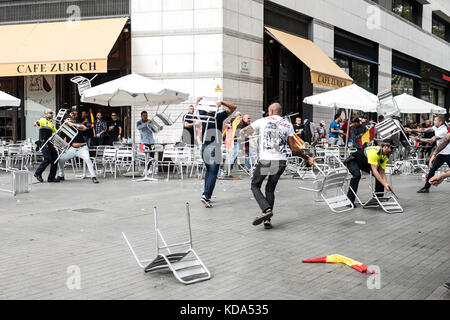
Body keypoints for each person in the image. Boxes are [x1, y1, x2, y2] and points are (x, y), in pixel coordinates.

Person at [240, 103, 316, 229]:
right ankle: (267, 220)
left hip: (267, 160)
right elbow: (294, 149)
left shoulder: (262, 121)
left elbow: (244, 129)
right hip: (280, 161)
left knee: (255, 185)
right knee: (270, 189)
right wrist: (307, 158)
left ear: (270, 111)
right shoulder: (288, 124)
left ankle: (266, 209)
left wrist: (242, 136)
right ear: (280, 112)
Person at [198, 99, 237, 208]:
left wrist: (204, 102)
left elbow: (198, 101)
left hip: (204, 147)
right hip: (214, 148)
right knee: (213, 173)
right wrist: (222, 102)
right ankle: (206, 196)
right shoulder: (218, 116)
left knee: (209, 171)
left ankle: (206, 194)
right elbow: (234, 107)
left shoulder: (204, 115)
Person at [406, 115, 450, 193]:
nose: (433, 122)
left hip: (448, 154)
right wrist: (411, 129)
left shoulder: (443, 130)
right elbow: (425, 130)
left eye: (435, 120)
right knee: (432, 169)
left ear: (440, 122)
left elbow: (431, 140)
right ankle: (426, 187)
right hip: (441, 153)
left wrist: (417, 139)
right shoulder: (437, 127)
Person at [345, 139, 396, 206]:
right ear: (385, 146)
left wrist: (386, 184)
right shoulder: (375, 152)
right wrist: (384, 184)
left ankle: (378, 198)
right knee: (357, 175)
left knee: (379, 177)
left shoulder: (385, 156)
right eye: (391, 148)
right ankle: (349, 200)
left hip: (363, 162)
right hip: (353, 161)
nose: (392, 150)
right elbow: (374, 171)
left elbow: (382, 172)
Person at [55, 118, 99, 184]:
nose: (69, 120)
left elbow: (84, 127)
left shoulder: (76, 126)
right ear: (64, 121)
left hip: (82, 148)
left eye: (70, 119)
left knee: (87, 159)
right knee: (61, 159)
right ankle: (61, 175)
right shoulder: (64, 129)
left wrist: (72, 124)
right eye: (68, 119)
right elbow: (62, 139)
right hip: (72, 149)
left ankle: (93, 177)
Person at [33, 109, 60, 183]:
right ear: (45, 114)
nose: (52, 114)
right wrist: (36, 123)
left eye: (52, 113)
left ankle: (51, 178)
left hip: (50, 143)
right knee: (47, 158)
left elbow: (56, 132)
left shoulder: (51, 122)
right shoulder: (43, 120)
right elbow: (38, 122)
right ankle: (37, 173)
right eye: (50, 113)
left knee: (55, 159)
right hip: (44, 143)